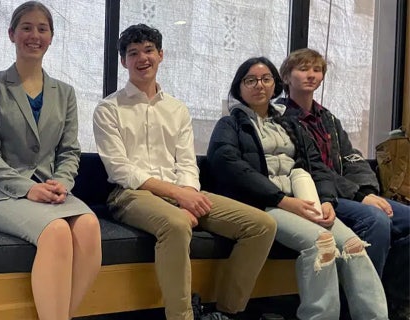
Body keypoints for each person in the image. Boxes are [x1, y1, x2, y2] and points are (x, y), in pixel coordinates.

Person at [93, 24, 277, 320]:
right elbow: (121, 170)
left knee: (262, 225)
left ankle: (226, 311)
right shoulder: (108, 108)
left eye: (149, 50)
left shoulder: (177, 109)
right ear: (124, 61)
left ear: (161, 55)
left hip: (182, 192)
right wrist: (179, 198)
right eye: (133, 53)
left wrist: (187, 194)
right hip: (130, 195)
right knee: (177, 225)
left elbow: (187, 163)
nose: (143, 58)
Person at [207, 56, 388, 319]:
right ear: (239, 87)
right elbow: (230, 167)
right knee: (323, 243)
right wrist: (282, 200)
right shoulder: (230, 124)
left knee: (353, 245)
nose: (259, 85)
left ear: (274, 85)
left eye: (266, 79)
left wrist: (327, 200)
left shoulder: (290, 122)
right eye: (251, 80)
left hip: (304, 201)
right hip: (264, 205)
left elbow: (315, 166)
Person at [0, 2, 101, 319]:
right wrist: (28, 189)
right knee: (56, 232)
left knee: (88, 226)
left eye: (42, 29)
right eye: (26, 27)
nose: (34, 35)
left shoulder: (65, 93)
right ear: (12, 33)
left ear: (51, 37)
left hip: (51, 190)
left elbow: (69, 151)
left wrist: (63, 183)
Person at [278, 47, 409, 319]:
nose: (311, 75)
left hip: (349, 194)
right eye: (303, 69)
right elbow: (312, 170)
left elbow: (353, 159)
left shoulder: (328, 118)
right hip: (317, 195)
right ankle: (356, 307)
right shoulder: (281, 118)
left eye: (316, 70)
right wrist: (362, 197)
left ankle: (391, 296)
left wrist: (370, 191)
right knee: (375, 220)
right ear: (287, 76)